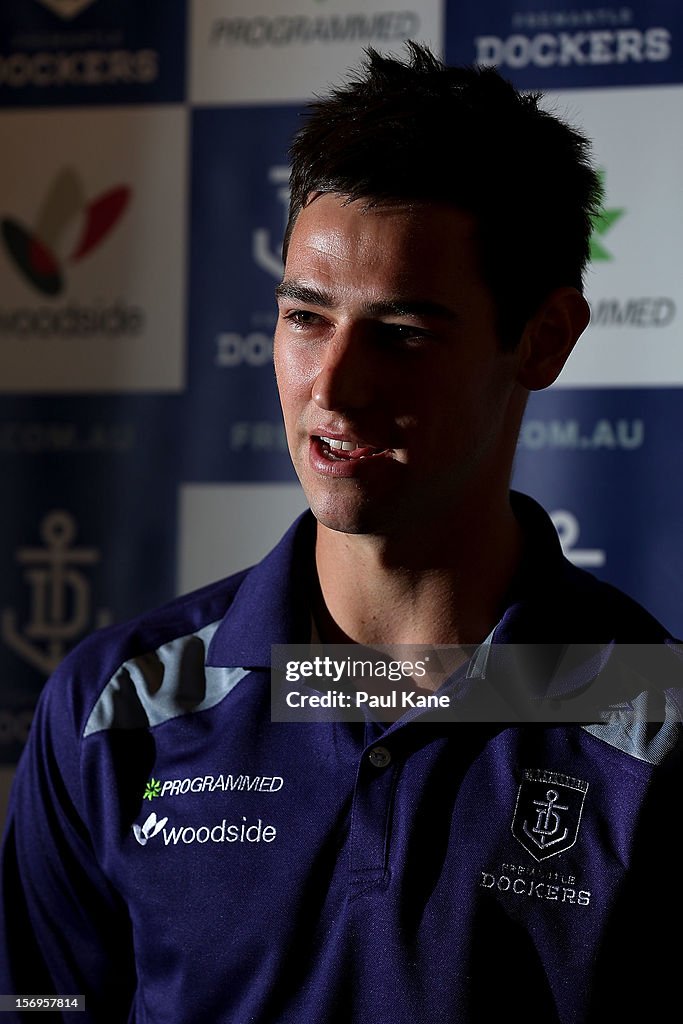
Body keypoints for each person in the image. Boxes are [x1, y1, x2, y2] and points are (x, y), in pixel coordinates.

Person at [1, 42, 681, 1024]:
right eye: (306, 316)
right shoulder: (114, 711)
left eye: (402, 332)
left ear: (541, 337)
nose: (333, 387)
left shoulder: (651, 725)